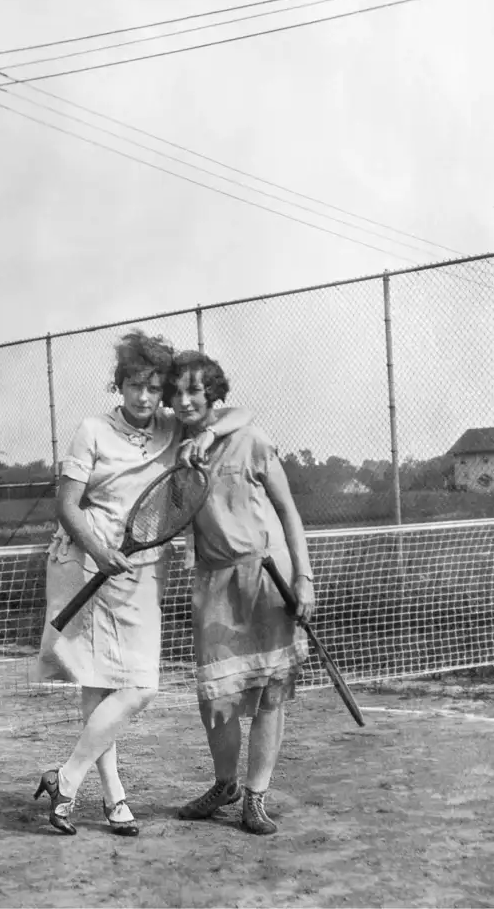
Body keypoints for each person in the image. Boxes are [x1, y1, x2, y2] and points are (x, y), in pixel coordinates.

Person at [33, 330, 253, 837]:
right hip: (84, 563)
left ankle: (65, 778)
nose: (144, 396)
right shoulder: (90, 430)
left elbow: (240, 415)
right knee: (98, 687)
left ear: (164, 392)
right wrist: (97, 549)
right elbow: (67, 505)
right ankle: (114, 799)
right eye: (135, 385)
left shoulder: (173, 428)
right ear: (120, 385)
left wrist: (199, 437)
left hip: (144, 569)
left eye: (155, 387)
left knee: (140, 688)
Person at [164, 350, 315, 836]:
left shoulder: (250, 440)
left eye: (195, 391)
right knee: (219, 699)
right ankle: (224, 784)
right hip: (212, 582)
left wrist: (304, 578)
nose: (185, 401)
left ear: (213, 393)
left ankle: (256, 796)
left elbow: (289, 511)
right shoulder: (174, 446)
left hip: (268, 578)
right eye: (178, 392)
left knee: (270, 696)